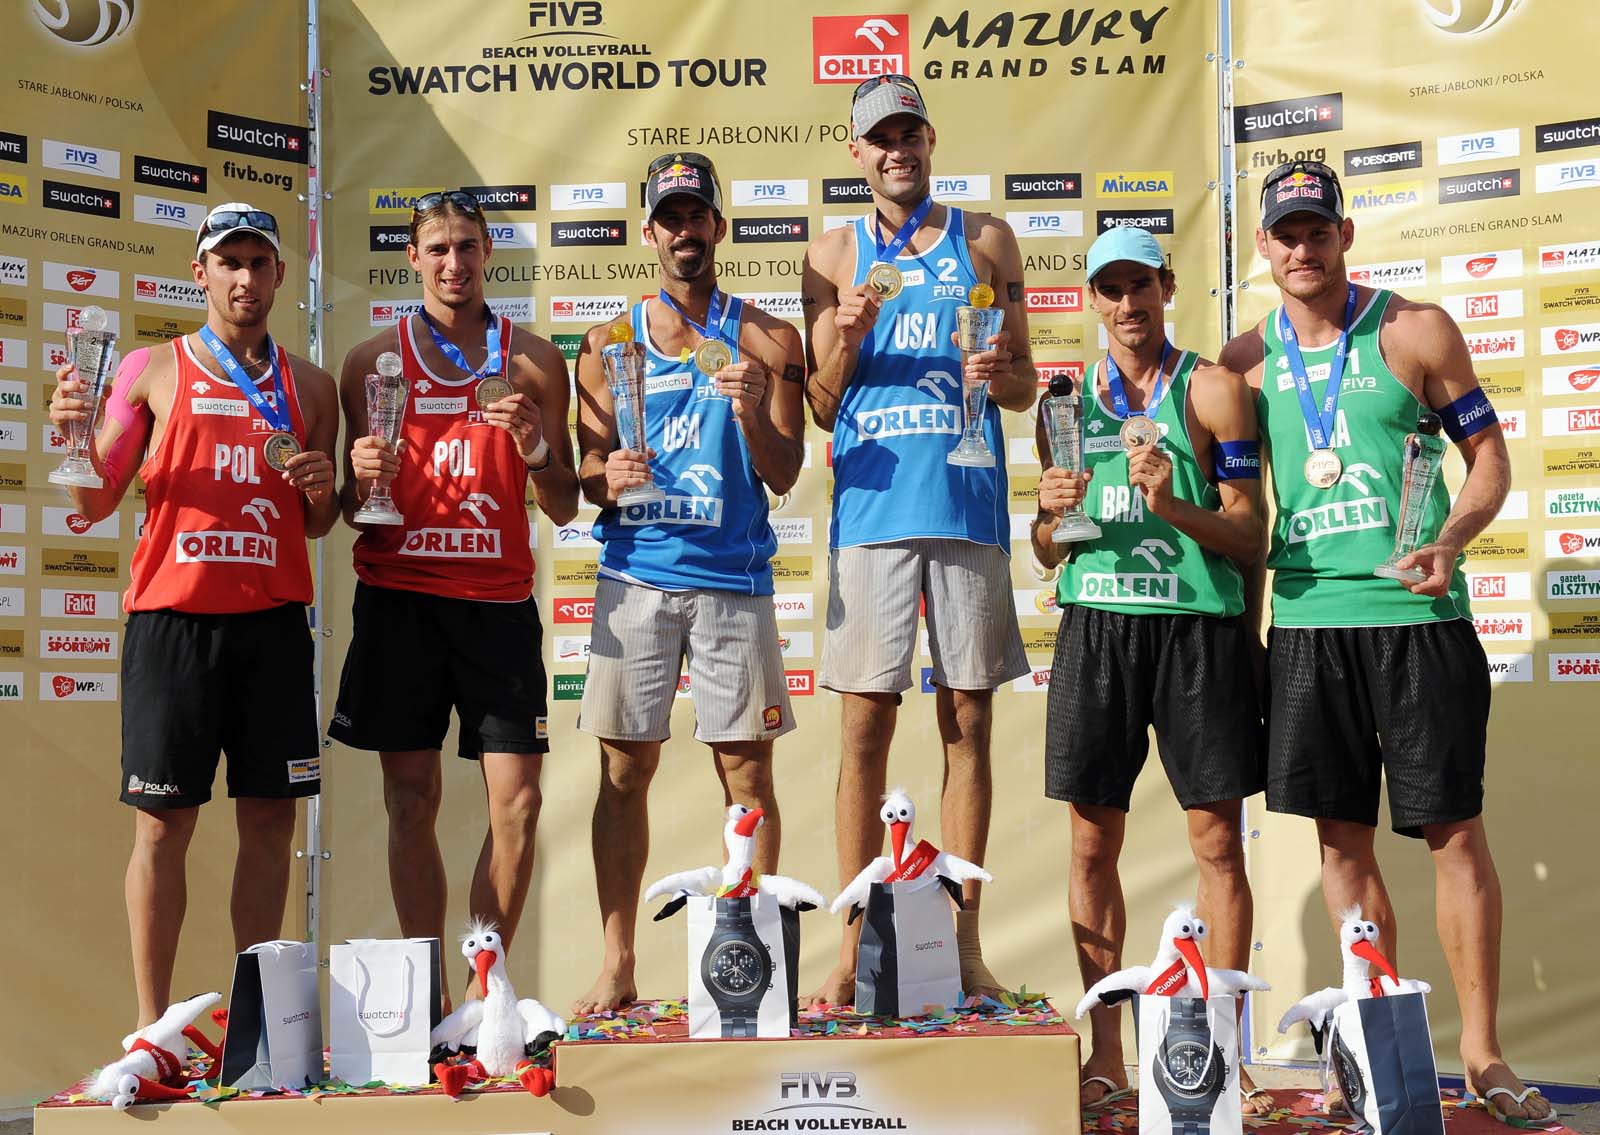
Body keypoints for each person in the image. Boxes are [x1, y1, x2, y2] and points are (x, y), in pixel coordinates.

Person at [1217, 161, 1549, 1123]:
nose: (1302, 248)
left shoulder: (1415, 330)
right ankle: (1379, 1041)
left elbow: (1486, 454)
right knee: (1342, 846)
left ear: (1345, 235)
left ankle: (1484, 1053)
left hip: (1417, 623)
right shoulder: (1242, 361)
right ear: (1264, 249)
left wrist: (1451, 539)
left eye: (1317, 230)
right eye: (1285, 233)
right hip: (1309, 626)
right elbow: (1232, 508)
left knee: (1452, 836)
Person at [48, 203, 338, 1025]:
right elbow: (95, 495)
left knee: (271, 822)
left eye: (259, 262)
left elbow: (318, 521)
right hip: (173, 626)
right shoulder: (151, 367)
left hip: (274, 623)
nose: (245, 278)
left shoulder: (309, 384)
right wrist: (74, 434)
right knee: (162, 827)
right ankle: (152, 1025)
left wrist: (322, 492)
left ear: (281, 274)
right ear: (200, 270)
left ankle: (256, 1020)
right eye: (229, 261)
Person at [801, 75, 1037, 1005]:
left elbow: (1020, 390)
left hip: (968, 500)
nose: (897, 149)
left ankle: (963, 945)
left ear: (931, 141)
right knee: (865, 727)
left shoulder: (987, 239)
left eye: (910, 133)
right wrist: (845, 340)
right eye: (879, 138)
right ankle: (858, 944)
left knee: (969, 722)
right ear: (856, 154)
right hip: (873, 513)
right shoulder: (831, 252)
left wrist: (1003, 366)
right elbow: (821, 407)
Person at [1032, 226, 1269, 1110]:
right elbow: (1049, 549)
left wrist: (1173, 503)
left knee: (1215, 842)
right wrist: (1051, 520)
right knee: (1093, 843)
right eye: (1110, 288)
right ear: (1092, 299)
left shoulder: (1213, 391)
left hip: (1196, 632)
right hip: (1098, 630)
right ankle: (1107, 1053)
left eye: (1142, 286)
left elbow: (1252, 534)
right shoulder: (1065, 400)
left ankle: (1223, 1047)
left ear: (1168, 287)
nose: (1128, 304)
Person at [328, 189, 578, 1007]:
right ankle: (426, 998)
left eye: (467, 247)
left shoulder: (534, 359)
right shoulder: (371, 362)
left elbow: (567, 500)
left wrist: (536, 443)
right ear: (413, 258)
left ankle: (485, 992)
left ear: (487, 254)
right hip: (400, 601)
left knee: (520, 802)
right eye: (437, 248)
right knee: (411, 799)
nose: (454, 263)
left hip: (496, 606)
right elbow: (340, 504)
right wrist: (359, 478)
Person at [569, 152, 806, 1015]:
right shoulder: (604, 343)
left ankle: (757, 957)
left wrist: (746, 410)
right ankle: (619, 960)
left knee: (748, 777)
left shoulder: (770, 338)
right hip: (635, 576)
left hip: (732, 581)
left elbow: (784, 472)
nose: (684, 232)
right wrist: (608, 474)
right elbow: (583, 472)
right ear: (649, 232)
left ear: (719, 226)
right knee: (624, 773)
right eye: (669, 217)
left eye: (697, 215)